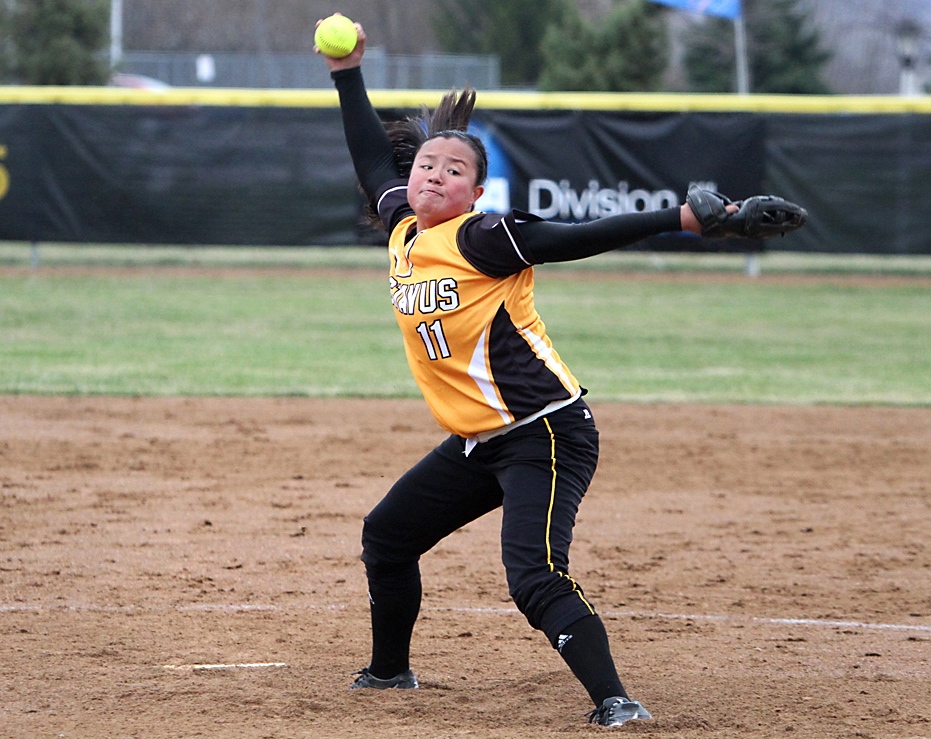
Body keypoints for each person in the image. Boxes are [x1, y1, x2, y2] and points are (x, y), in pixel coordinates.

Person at [317, 14, 800, 728]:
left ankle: (616, 700)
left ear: (474, 192)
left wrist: (690, 219)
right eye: (427, 165)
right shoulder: (401, 228)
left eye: (455, 171)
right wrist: (346, 74)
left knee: (533, 572)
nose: (434, 175)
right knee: (387, 535)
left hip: (546, 433)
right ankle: (390, 670)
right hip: (480, 439)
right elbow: (370, 161)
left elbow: (580, 235)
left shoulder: (484, 236)